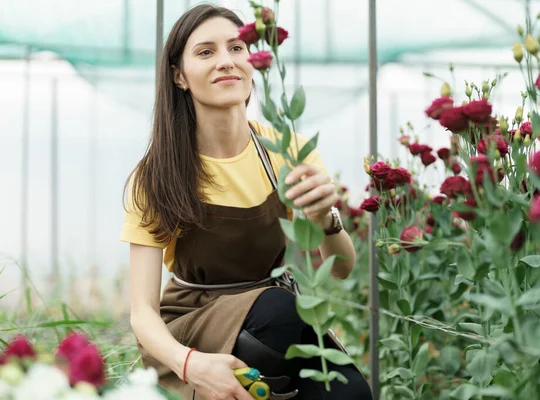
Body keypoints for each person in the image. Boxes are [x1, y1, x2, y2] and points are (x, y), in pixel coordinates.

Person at [120, 4, 372, 400]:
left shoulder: (288, 150)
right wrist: (191, 364)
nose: (226, 62)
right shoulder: (157, 174)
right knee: (279, 312)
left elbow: (341, 268)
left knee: (351, 393)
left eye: (236, 48)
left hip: (276, 317)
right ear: (178, 76)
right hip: (193, 323)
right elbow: (142, 313)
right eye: (206, 52)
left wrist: (326, 218)